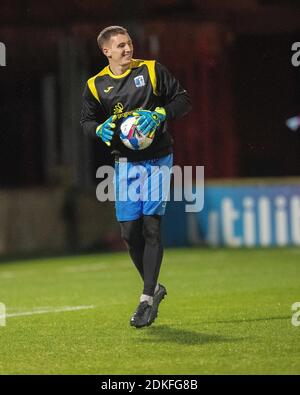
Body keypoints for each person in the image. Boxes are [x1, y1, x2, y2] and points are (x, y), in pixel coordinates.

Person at [80, 26, 191, 328]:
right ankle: (155, 288)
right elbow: (87, 121)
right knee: (130, 234)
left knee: (151, 228)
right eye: (120, 46)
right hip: (125, 163)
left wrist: (160, 115)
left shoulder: (152, 70)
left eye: (129, 44)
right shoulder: (95, 85)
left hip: (157, 159)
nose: (127, 50)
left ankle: (145, 299)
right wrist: (97, 130)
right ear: (106, 51)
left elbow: (183, 100)